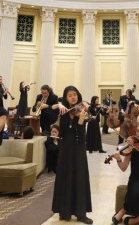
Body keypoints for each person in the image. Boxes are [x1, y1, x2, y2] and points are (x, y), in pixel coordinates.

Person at [52, 85, 93, 224]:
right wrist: (58, 105)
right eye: (69, 95)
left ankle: (81, 214)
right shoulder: (63, 111)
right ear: (66, 98)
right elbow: (62, 130)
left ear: (78, 95)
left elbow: (81, 135)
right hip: (66, 149)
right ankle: (65, 211)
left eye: (74, 94)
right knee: (66, 177)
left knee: (80, 178)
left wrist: (81, 120)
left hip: (79, 148)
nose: (73, 97)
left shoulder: (82, 110)